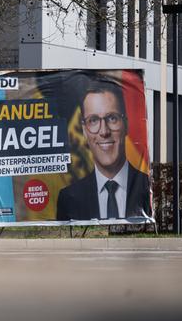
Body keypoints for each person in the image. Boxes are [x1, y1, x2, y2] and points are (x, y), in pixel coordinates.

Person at [56, 80, 152, 221]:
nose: (104, 131)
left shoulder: (148, 187)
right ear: (84, 130)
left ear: (126, 124)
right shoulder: (68, 198)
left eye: (112, 118)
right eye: (93, 120)